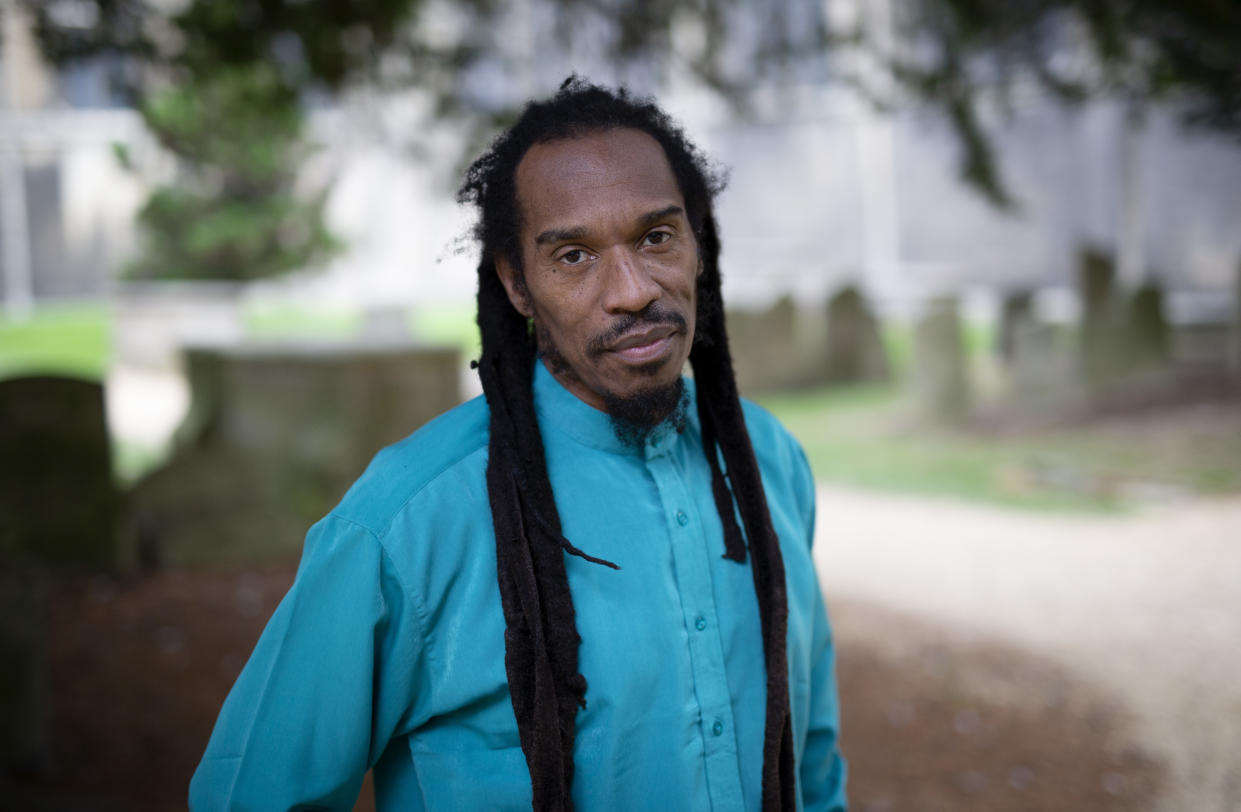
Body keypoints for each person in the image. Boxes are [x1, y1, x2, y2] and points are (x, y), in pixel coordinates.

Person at [190, 77, 847, 812]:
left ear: (697, 243)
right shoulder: (407, 520)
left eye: (655, 236)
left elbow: (811, 764)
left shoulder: (769, 465)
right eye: (573, 256)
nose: (631, 290)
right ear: (517, 284)